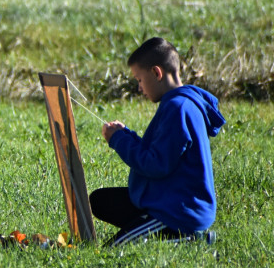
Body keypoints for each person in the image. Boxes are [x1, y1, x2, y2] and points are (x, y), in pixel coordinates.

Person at [91, 37, 225, 246]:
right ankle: (175, 236)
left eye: (139, 80)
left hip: (178, 212)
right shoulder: (178, 104)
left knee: (113, 251)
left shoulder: (178, 109)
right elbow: (158, 151)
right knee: (100, 201)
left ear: (156, 73)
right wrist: (126, 135)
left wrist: (118, 140)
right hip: (168, 199)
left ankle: (191, 240)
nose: (139, 88)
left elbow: (155, 165)